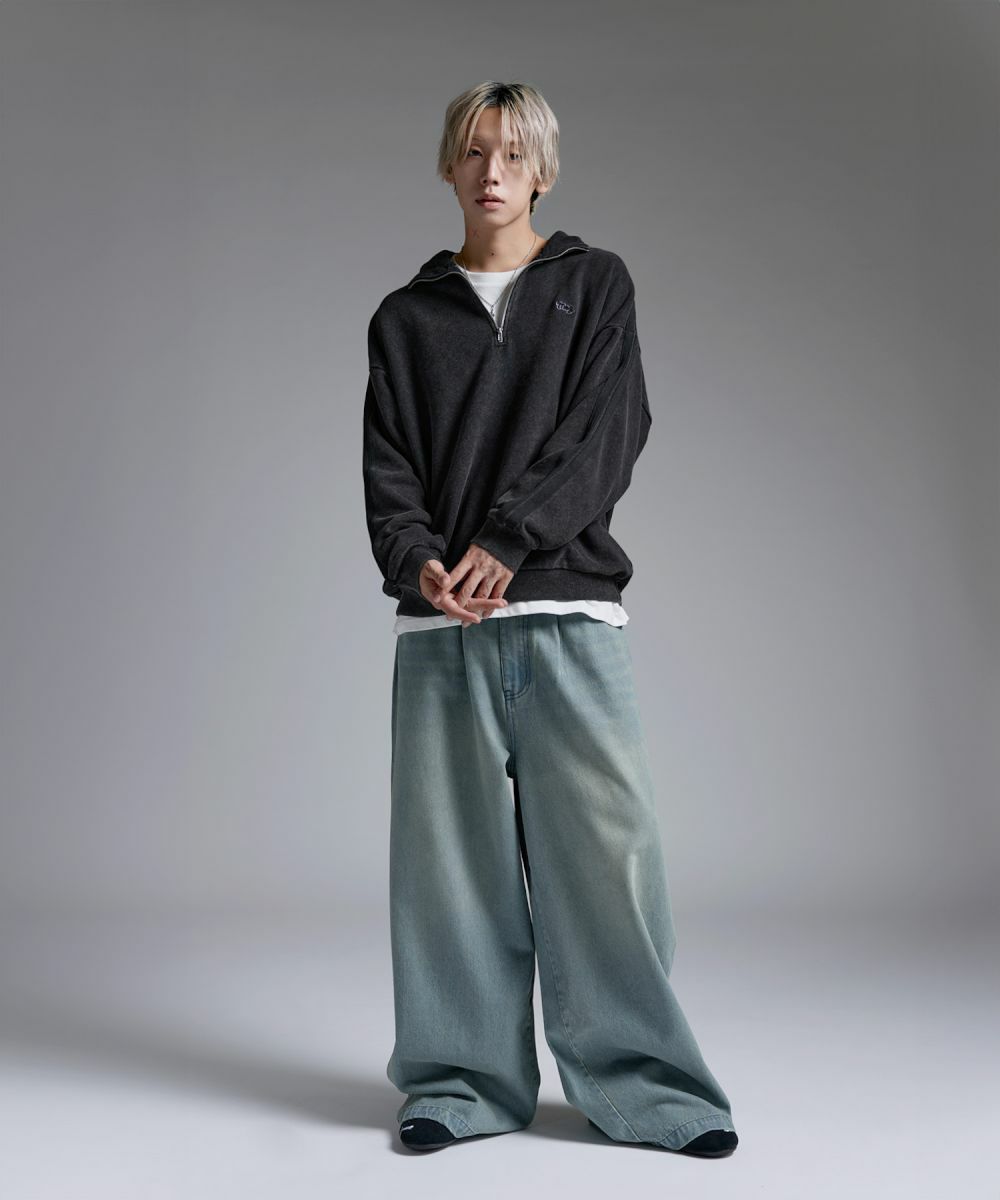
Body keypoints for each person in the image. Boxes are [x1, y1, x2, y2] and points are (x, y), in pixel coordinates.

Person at [362, 80, 738, 1158]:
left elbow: (610, 430)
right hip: (442, 630)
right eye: (475, 151)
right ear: (449, 164)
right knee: (449, 870)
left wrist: (509, 540)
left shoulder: (593, 284)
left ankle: (651, 1090)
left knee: (609, 859)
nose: (494, 172)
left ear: (543, 172)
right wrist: (420, 561)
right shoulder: (405, 318)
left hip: (568, 607)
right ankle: (459, 1083)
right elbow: (388, 471)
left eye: (515, 154)